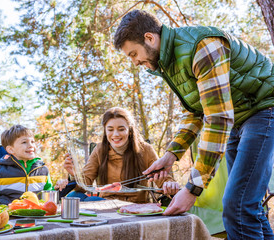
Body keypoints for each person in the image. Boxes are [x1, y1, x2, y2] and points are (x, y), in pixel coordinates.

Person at [114, 9, 274, 239]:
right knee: (250, 207)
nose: (135, 62)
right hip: (237, 120)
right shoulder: (169, 64)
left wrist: (192, 190)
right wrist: (171, 155)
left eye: (133, 54)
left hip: (262, 109)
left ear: (149, 38)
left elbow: (218, 118)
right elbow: (194, 112)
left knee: (238, 206)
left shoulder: (202, 47)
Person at [64, 107, 179, 202]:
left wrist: (169, 184)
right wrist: (74, 175)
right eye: (110, 129)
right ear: (105, 131)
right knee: (72, 197)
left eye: (121, 129)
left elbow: (162, 178)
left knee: (87, 201)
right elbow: (85, 183)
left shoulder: (145, 149)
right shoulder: (99, 150)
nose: (115, 134)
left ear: (129, 130)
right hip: (106, 204)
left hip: (135, 205)